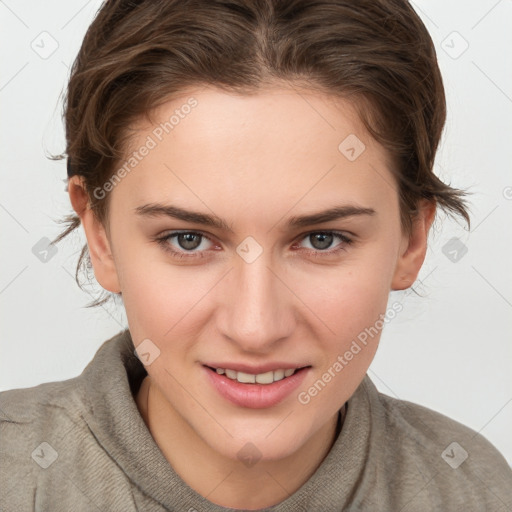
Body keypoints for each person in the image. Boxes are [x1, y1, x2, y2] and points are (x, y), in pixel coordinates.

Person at [1, 0, 511, 510]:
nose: (255, 328)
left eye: (322, 240)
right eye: (188, 240)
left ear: (412, 240)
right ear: (101, 236)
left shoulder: (478, 490)